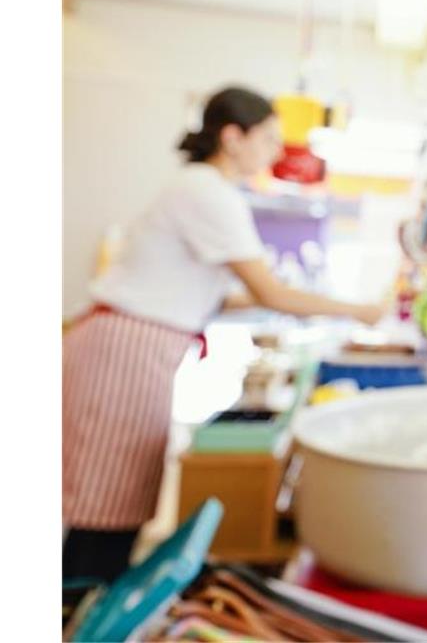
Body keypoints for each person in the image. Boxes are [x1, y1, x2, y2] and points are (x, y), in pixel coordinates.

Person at [62, 86, 384, 583]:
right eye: (270, 138)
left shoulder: (205, 190)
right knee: (101, 509)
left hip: (137, 349)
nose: (277, 151)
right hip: (123, 353)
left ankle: (83, 609)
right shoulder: (206, 192)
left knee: (114, 501)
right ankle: (77, 616)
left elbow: (232, 295)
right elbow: (268, 293)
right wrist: (358, 311)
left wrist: (293, 295)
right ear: (233, 137)